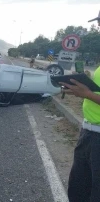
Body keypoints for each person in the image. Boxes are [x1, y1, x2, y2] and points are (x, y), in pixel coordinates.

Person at [61, 11, 100, 202]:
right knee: (78, 191)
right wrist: (84, 84)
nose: (99, 28)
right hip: (88, 134)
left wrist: (87, 94)